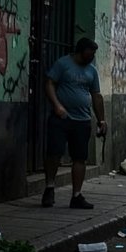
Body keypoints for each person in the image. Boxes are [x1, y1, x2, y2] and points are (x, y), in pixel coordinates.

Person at [42, 37, 106, 209]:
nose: (92, 56)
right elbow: (49, 83)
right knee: (54, 153)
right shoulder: (63, 64)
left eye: (94, 53)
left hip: (83, 120)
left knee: (80, 158)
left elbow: (96, 96)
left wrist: (101, 120)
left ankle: (76, 195)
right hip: (61, 118)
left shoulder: (92, 71)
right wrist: (57, 105)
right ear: (81, 50)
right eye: (89, 52)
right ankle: (49, 188)